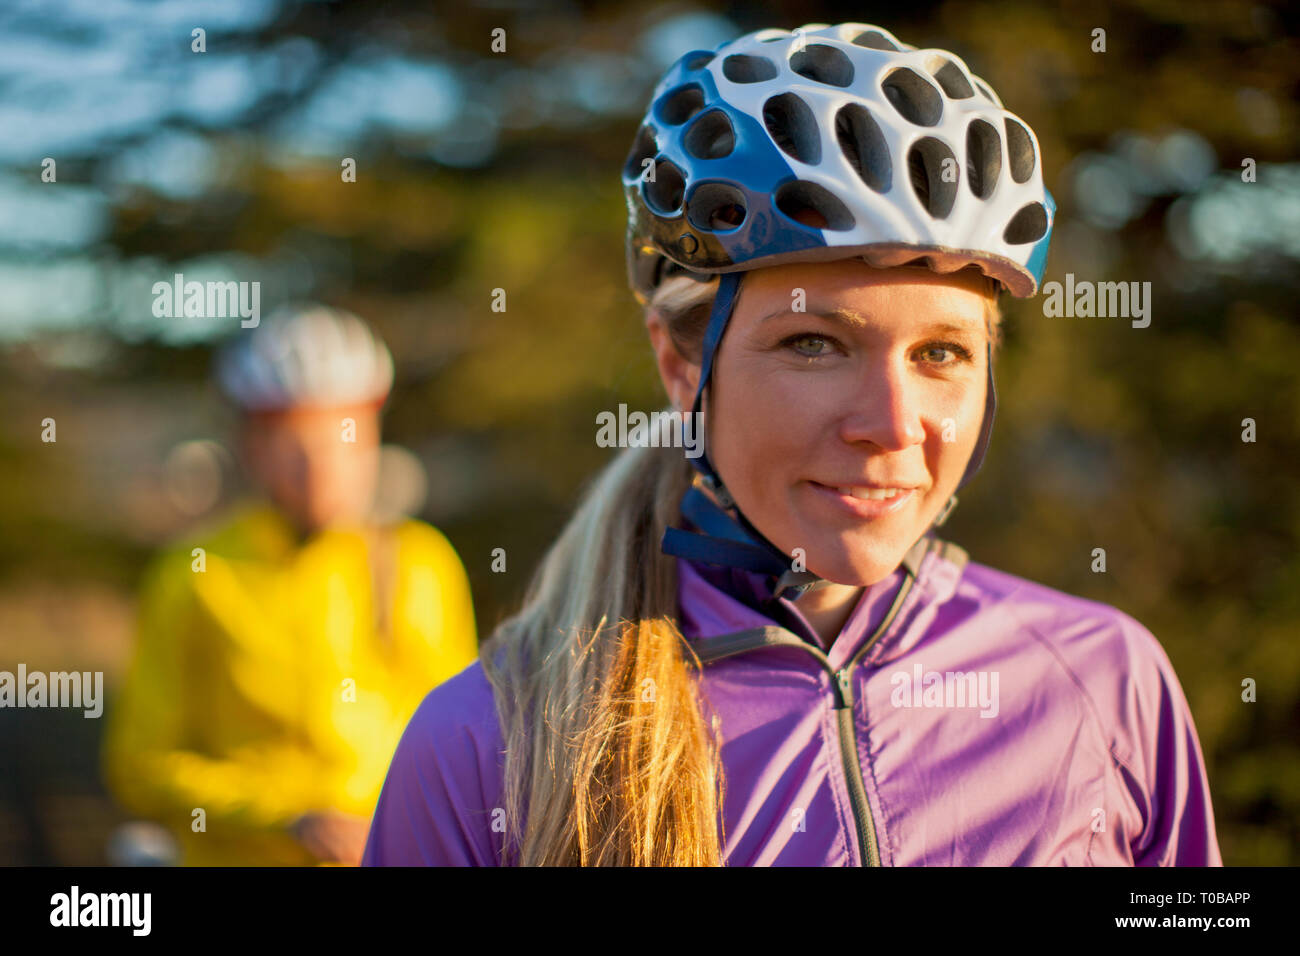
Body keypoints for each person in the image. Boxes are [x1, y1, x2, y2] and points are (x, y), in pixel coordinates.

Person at [363, 22, 1221, 866]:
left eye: (942, 353)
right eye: (814, 344)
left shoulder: (1105, 680)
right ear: (680, 366)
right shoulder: (486, 745)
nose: (891, 424)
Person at [102, 304, 478, 866]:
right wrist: (284, 818)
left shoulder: (422, 562)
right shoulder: (194, 574)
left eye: (344, 436)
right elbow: (142, 766)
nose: (323, 465)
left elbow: (462, 746)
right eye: (294, 441)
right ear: (250, 444)